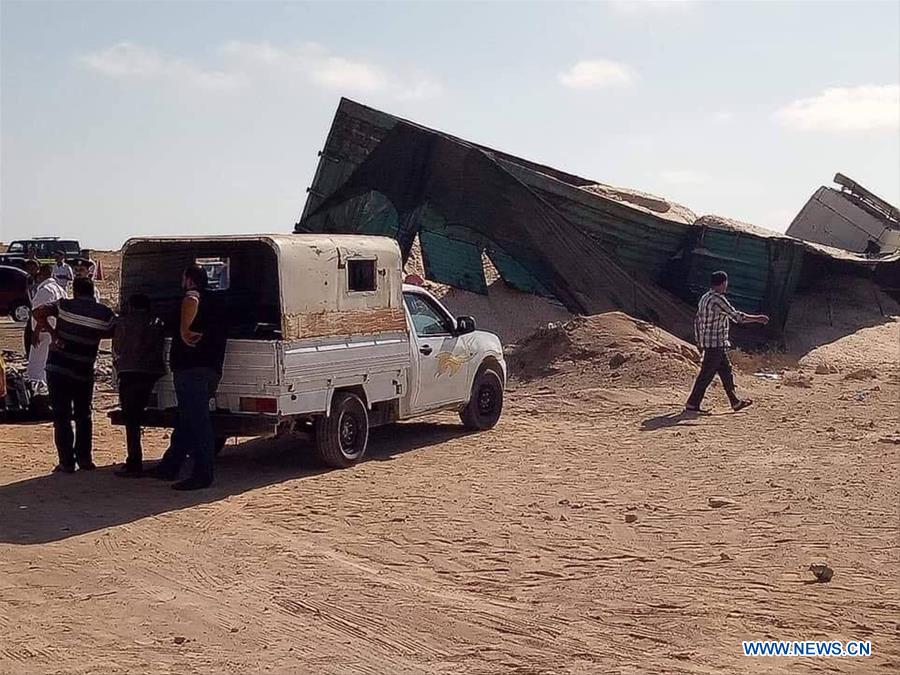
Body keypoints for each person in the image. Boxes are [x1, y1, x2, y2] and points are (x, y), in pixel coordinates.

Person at [154, 264, 227, 490]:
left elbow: (191, 299)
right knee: (187, 420)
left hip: (191, 368)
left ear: (189, 280)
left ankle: (203, 474)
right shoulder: (218, 302)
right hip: (211, 367)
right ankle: (170, 466)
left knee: (197, 421)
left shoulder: (192, 296)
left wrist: (184, 330)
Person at [34, 277, 116, 473]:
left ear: (75, 291)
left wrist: (53, 333)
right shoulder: (104, 313)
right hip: (83, 370)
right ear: (92, 291)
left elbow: (37, 312)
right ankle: (85, 460)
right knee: (83, 415)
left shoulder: (64, 305)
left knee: (61, 416)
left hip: (58, 368)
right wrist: (91, 334)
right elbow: (113, 330)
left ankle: (66, 462)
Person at [685, 271, 769, 413]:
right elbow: (736, 317)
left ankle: (735, 401)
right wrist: (757, 318)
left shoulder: (705, 298)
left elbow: (697, 321)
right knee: (706, 374)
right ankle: (693, 403)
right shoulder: (718, 299)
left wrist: (699, 340)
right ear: (723, 283)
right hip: (715, 343)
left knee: (726, 372)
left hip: (712, 342)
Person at [112, 294, 166, 477]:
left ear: (131, 306)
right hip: (151, 372)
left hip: (129, 372)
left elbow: (117, 347)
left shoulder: (124, 322)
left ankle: (134, 462)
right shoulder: (157, 322)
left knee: (131, 420)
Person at [26, 265, 66, 396]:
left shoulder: (45, 290)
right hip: (56, 330)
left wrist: (36, 332)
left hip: (44, 330)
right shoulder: (60, 289)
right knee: (49, 361)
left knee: (36, 365)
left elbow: (39, 313)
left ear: (41, 275)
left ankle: (37, 392)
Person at [22, 259, 40, 355]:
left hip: (40, 310)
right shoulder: (28, 279)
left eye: (33, 269)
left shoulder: (40, 280)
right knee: (28, 334)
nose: (30, 271)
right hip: (32, 309)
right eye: (28, 269)